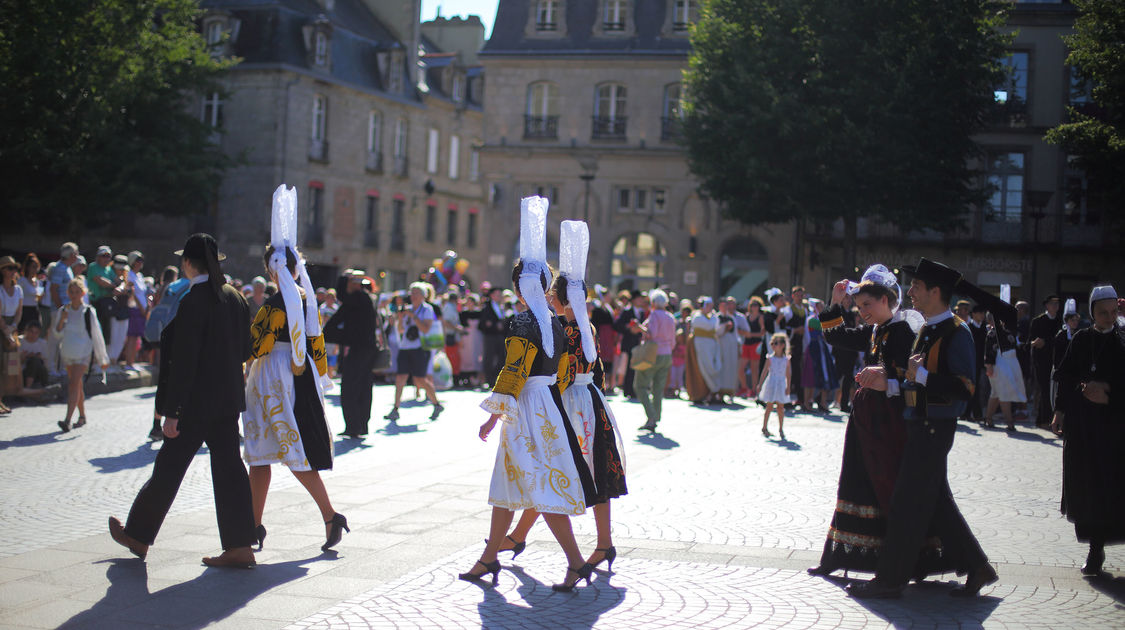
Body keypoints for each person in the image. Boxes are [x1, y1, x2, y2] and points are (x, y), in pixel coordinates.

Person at [459, 197, 595, 591]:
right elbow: (566, 367)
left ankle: (574, 560)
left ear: (522, 285)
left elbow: (514, 370)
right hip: (547, 404)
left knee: (539, 484)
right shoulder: (553, 322)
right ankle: (489, 558)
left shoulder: (524, 320)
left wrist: (492, 412)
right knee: (510, 481)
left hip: (526, 408)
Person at [847, 258, 997, 599]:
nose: (910, 292)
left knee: (905, 504)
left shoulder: (956, 331)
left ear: (935, 291)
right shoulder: (926, 328)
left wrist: (921, 378)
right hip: (916, 424)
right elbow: (911, 381)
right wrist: (891, 384)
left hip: (936, 428)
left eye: (917, 287)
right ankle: (978, 567)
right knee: (936, 503)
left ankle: (890, 579)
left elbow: (965, 389)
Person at [109, 232, 258, 568]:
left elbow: (184, 360)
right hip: (226, 400)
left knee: (169, 469)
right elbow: (246, 349)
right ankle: (241, 545)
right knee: (230, 470)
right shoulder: (234, 297)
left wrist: (171, 411)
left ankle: (138, 535)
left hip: (194, 403)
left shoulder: (194, 300)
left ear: (188, 263)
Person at [494, 220, 628, 576]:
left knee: (553, 472)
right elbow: (596, 367)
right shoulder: (588, 327)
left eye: (554, 294)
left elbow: (561, 374)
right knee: (595, 473)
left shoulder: (562, 328)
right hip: (594, 401)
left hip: (568, 402)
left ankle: (522, 537)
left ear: (559, 298)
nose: (549, 297)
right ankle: (601, 541)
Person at [808, 266, 951, 579]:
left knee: (884, 486)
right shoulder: (875, 331)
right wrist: (835, 303)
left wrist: (886, 380)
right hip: (865, 422)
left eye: (867, 306)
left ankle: (902, 561)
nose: (862, 313)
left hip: (891, 424)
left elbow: (912, 377)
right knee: (854, 481)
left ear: (887, 300)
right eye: (859, 307)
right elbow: (835, 336)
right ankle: (839, 554)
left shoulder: (903, 332)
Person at [243, 189, 347, 553]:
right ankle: (253, 525)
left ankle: (329, 514)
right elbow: (316, 346)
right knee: (263, 455)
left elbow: (257, 346)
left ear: (272, 269)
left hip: (271, 375)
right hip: (297, 377)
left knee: (282, 451)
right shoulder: (306, 300)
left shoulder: (274, 305)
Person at [1050, 286, 1125, 576]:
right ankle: (1095, 550)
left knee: (1111, 489)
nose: (1109, 318)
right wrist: (1059, 410)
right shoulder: (1081, 339)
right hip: (1082, 428)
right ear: (1093, 312)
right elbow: (1066, 376)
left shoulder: (1122, 341)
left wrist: (1107, 392)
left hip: (1113, 430)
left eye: (1113, 312)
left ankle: (1100, 545)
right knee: (1087, 489)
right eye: (1103, 312)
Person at [323, 271, 379, 438]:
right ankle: (359, 425)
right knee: (361, 386)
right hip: (363, 348)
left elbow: (341, 296)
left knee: (351, 387)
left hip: (360, 348)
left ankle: (355, 425)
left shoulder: (358, 298)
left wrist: (343, 279)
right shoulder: (360, 299)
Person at [51, 277, 109, 430]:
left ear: (82, 293)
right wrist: (62, 320)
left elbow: (97, 334)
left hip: (83, 352)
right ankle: (82, 416)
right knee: (77, 385)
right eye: (72, 292)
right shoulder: (63, 311)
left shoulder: (89, 311)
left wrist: (101, 357)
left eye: (77, 292)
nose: (74, 294)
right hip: (68, 352)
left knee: (73, 384)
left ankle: (67, 420)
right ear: (68, 293)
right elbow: (57, 334)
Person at [385, 282, 443, 421]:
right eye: (412, 293)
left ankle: (436, 403)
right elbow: (401, 330)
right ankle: (395, 408)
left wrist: (413, 316)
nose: (413, 296)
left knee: (420, 379)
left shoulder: (427, 309)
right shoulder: (407, 309)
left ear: (423, 296)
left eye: (417, 293)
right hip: (405, 347)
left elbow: (425, 329)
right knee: (400, 378)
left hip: (420, 348)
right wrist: (400, 318)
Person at [635, 289, 675, 432]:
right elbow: (673, 340)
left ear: (653, 302)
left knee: (640, 385)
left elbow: (651, 334)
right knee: (658, 388)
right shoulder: (670, 317)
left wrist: (639, 327)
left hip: (653, 353)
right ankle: (655, 417)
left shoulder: (654, 316)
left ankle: (651, 417)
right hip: (667, 354)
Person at [984, 318, 1026, 431]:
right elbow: (988, 351)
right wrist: (989, 366)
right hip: (998, 363)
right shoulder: (992, 333)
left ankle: (988, 418)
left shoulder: (1009, 331)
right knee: (1003, 391)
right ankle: (1009, 421)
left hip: (1010, 362)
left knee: (996, 393)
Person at [1030, 295, 1063, 428]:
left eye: (1057, 304)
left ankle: (1051, 419)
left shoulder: (1060, 321)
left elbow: (1059, 339)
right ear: (1047, 306)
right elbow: (1030, 341)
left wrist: (1047, 341)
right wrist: (1035, 342)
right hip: (1041, 360)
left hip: (1057, 359)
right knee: (1044, 389)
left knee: (1054, 390)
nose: (1055, 306)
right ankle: (1043, 419)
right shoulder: (1038, 321)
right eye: (1052, 304)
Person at [684, 297, 724, 404]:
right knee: (704, 367)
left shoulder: (711, 317)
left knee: (712, 367)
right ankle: (704, 392)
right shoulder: (697, 317)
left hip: (711, 345)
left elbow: (715, 326)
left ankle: (713, 392)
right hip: (701, 346)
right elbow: (710, 325)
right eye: (708, 306)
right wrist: (714, 317)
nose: (710, 308)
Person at [802, 298, 838, 412]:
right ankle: (807, 402)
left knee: (825, 375)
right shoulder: (812, 320)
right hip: (814, 348)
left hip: (822, 348)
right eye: (820, 306)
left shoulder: (821, 319)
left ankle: (823, 402)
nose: (822, 308)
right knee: (810, 375)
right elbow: (825, 330)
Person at [1, 256, 26, 414]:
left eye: (14, 268)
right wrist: (6, 331)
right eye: (9, 268)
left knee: (9, 367)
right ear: (2, 271)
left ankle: (2, 398)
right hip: (2, 328)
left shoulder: (18, 290)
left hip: (11, 328)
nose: (13, 272)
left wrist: (12, 329)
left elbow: (19, 312)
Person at [757, 332, 791, 439]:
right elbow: (764, 372)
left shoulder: (786, 360)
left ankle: (781, 428)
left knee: (781, 407)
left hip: (781, 384)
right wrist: (760, 384)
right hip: (771, 383)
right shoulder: (770, 358)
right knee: (769, 406)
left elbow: (788, 374)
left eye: (775, 343)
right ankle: (764, 427)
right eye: (772, 343)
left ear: (782, 345)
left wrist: (788, 386)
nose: (773, 345)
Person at [614, 291, 647, 399]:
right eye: (639, 298)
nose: (641, 300)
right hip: (628, 343)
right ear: (633, 300)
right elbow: (618, 325)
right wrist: (628, 327)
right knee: (628, 368)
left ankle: (633, 390)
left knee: (636, 368)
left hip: (637, 343)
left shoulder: (642, 312)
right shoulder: (627, 311)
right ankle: (627, 390)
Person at [716, 297, 747, 401]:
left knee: (731, 369)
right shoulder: (716, 318)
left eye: (727, 305)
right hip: (721, 347)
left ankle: (730, 392)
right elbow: (715, 333)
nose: (726, 307)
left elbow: (736, 334)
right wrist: (724, 328)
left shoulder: (732, 318)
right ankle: (719, 394)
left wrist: (738, 346)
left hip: (732, 348)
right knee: (721, 369)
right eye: (723, 306)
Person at [479, 285, 509, 388]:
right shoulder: (486, 307)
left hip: (500, 336)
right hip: (490, 336)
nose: (499, 296)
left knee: (502, 357)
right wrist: (494, 325)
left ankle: (495, 377)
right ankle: (490, 380)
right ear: (492, 296)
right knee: (489, 358)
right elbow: (484, 323)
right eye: (497, 295)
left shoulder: (501, 306)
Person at [783, 286, 808, 407]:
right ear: (793, 296)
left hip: (800, 344)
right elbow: (784, 328)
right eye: (797, 295)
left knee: (798, 372)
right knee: (789, 372)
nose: (800, 297)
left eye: (801, 295)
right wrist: (795, 330)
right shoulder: (788, 310)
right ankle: (786, 398)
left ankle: (800, 398)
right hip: (790, 345)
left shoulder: (805, 310)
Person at [966, 304, 990, 422]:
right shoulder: (968, 327)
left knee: (979, 388)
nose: (982, 315)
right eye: (980, 313)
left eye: (983, 313)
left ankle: (971, 413)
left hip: (982, 362)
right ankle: (974, 413)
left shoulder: (985, 328)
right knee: (973, 387)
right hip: (970, 361)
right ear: (973, 314)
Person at [743, 297, 767, 398]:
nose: (754, 307)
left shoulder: (761, 317)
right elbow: (742, 329)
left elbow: (763, 333)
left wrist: (751, 335)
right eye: (752, 305)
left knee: (754, 369)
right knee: (740, 368)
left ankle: (754, 390)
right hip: (746, 344)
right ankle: (744, 388)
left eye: (756, 305)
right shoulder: (747, 316)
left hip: (755, 344)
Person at [1052, 299, 1081, 373]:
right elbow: (1057, 355)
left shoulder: (1079, 334)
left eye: (1076, 320)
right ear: (1067, 321)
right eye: (1072, 320)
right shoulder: (1061, 335)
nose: (1075, 322)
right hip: (1063, 369)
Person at [19, 321, 50, 390]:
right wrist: (25, 356)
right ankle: (27, 388)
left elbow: (46, 363)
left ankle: (28, 388)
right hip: (23, 373)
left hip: (39, 373)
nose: (33, 335)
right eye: (31, 332)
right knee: (33, 360)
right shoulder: (20, 342)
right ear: (26, 331)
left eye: (36, 333)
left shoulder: (43, 343)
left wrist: (38, 357)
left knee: (35, 360)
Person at [17, 254, 43, 332]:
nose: (35, 269)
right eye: (33, 267)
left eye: (36, 267)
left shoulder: (38, 282)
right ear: (28, 267)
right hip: (24, 310)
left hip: (34, 310)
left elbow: (39, 297)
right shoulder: (22, 281)